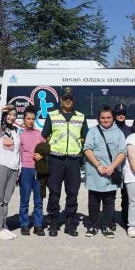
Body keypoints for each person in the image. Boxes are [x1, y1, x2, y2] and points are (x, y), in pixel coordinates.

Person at [42, 87, 88, 237]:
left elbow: (84, 137)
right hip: (56, 159)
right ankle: (53, 223)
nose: (68, 100)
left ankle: (70, 223)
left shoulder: (81, 117)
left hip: (73, 160)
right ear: (61, 100)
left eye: (70, 98)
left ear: (73, 100)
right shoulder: (52, 115)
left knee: (72, 192)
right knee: (54, 191)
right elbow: (45, 136)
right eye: (65, 98)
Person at [83, 106, 127, 238]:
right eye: (103, 118)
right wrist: (98, 165)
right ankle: (93, 225)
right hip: (95, 172)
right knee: (94, 200)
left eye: (108, 117)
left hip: (110, 173)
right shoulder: (92, 131)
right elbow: (87, 149)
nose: (105, 120)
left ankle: (107, 225)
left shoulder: (118, 132)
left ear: (113, 118)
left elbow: (122, 152)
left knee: (109, 200)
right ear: (98, 119)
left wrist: (112, 167)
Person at [0, 105, 21, 240]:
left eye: (14, 115)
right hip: (1, 166)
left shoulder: (15, 130)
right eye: (9, 114)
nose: (12, 117)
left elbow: (17, 151)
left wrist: (18, 167)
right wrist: (0, 109)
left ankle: (3, 225)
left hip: (14, 168)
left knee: (6, 200)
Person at [19, 106, 47, 236]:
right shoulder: (20, 135)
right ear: (24, 119)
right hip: (26, 169)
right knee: (24, 199)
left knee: (38, 200)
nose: (30, 121)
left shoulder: (39, 134)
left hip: (38, 171)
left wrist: (41, 156)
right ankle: (24, 224)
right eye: (28, 118)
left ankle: (38, 225)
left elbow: (46, 149)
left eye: (33, 119)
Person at [113, 103, 132, 229]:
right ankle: (110, 219)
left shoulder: (130, 130)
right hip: (112, 165)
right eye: (119, 113)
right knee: (110, 195)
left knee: (126, 195)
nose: (121, 115)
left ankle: (125, 219)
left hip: (125, 166)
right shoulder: (110, 129)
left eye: (123, 113)